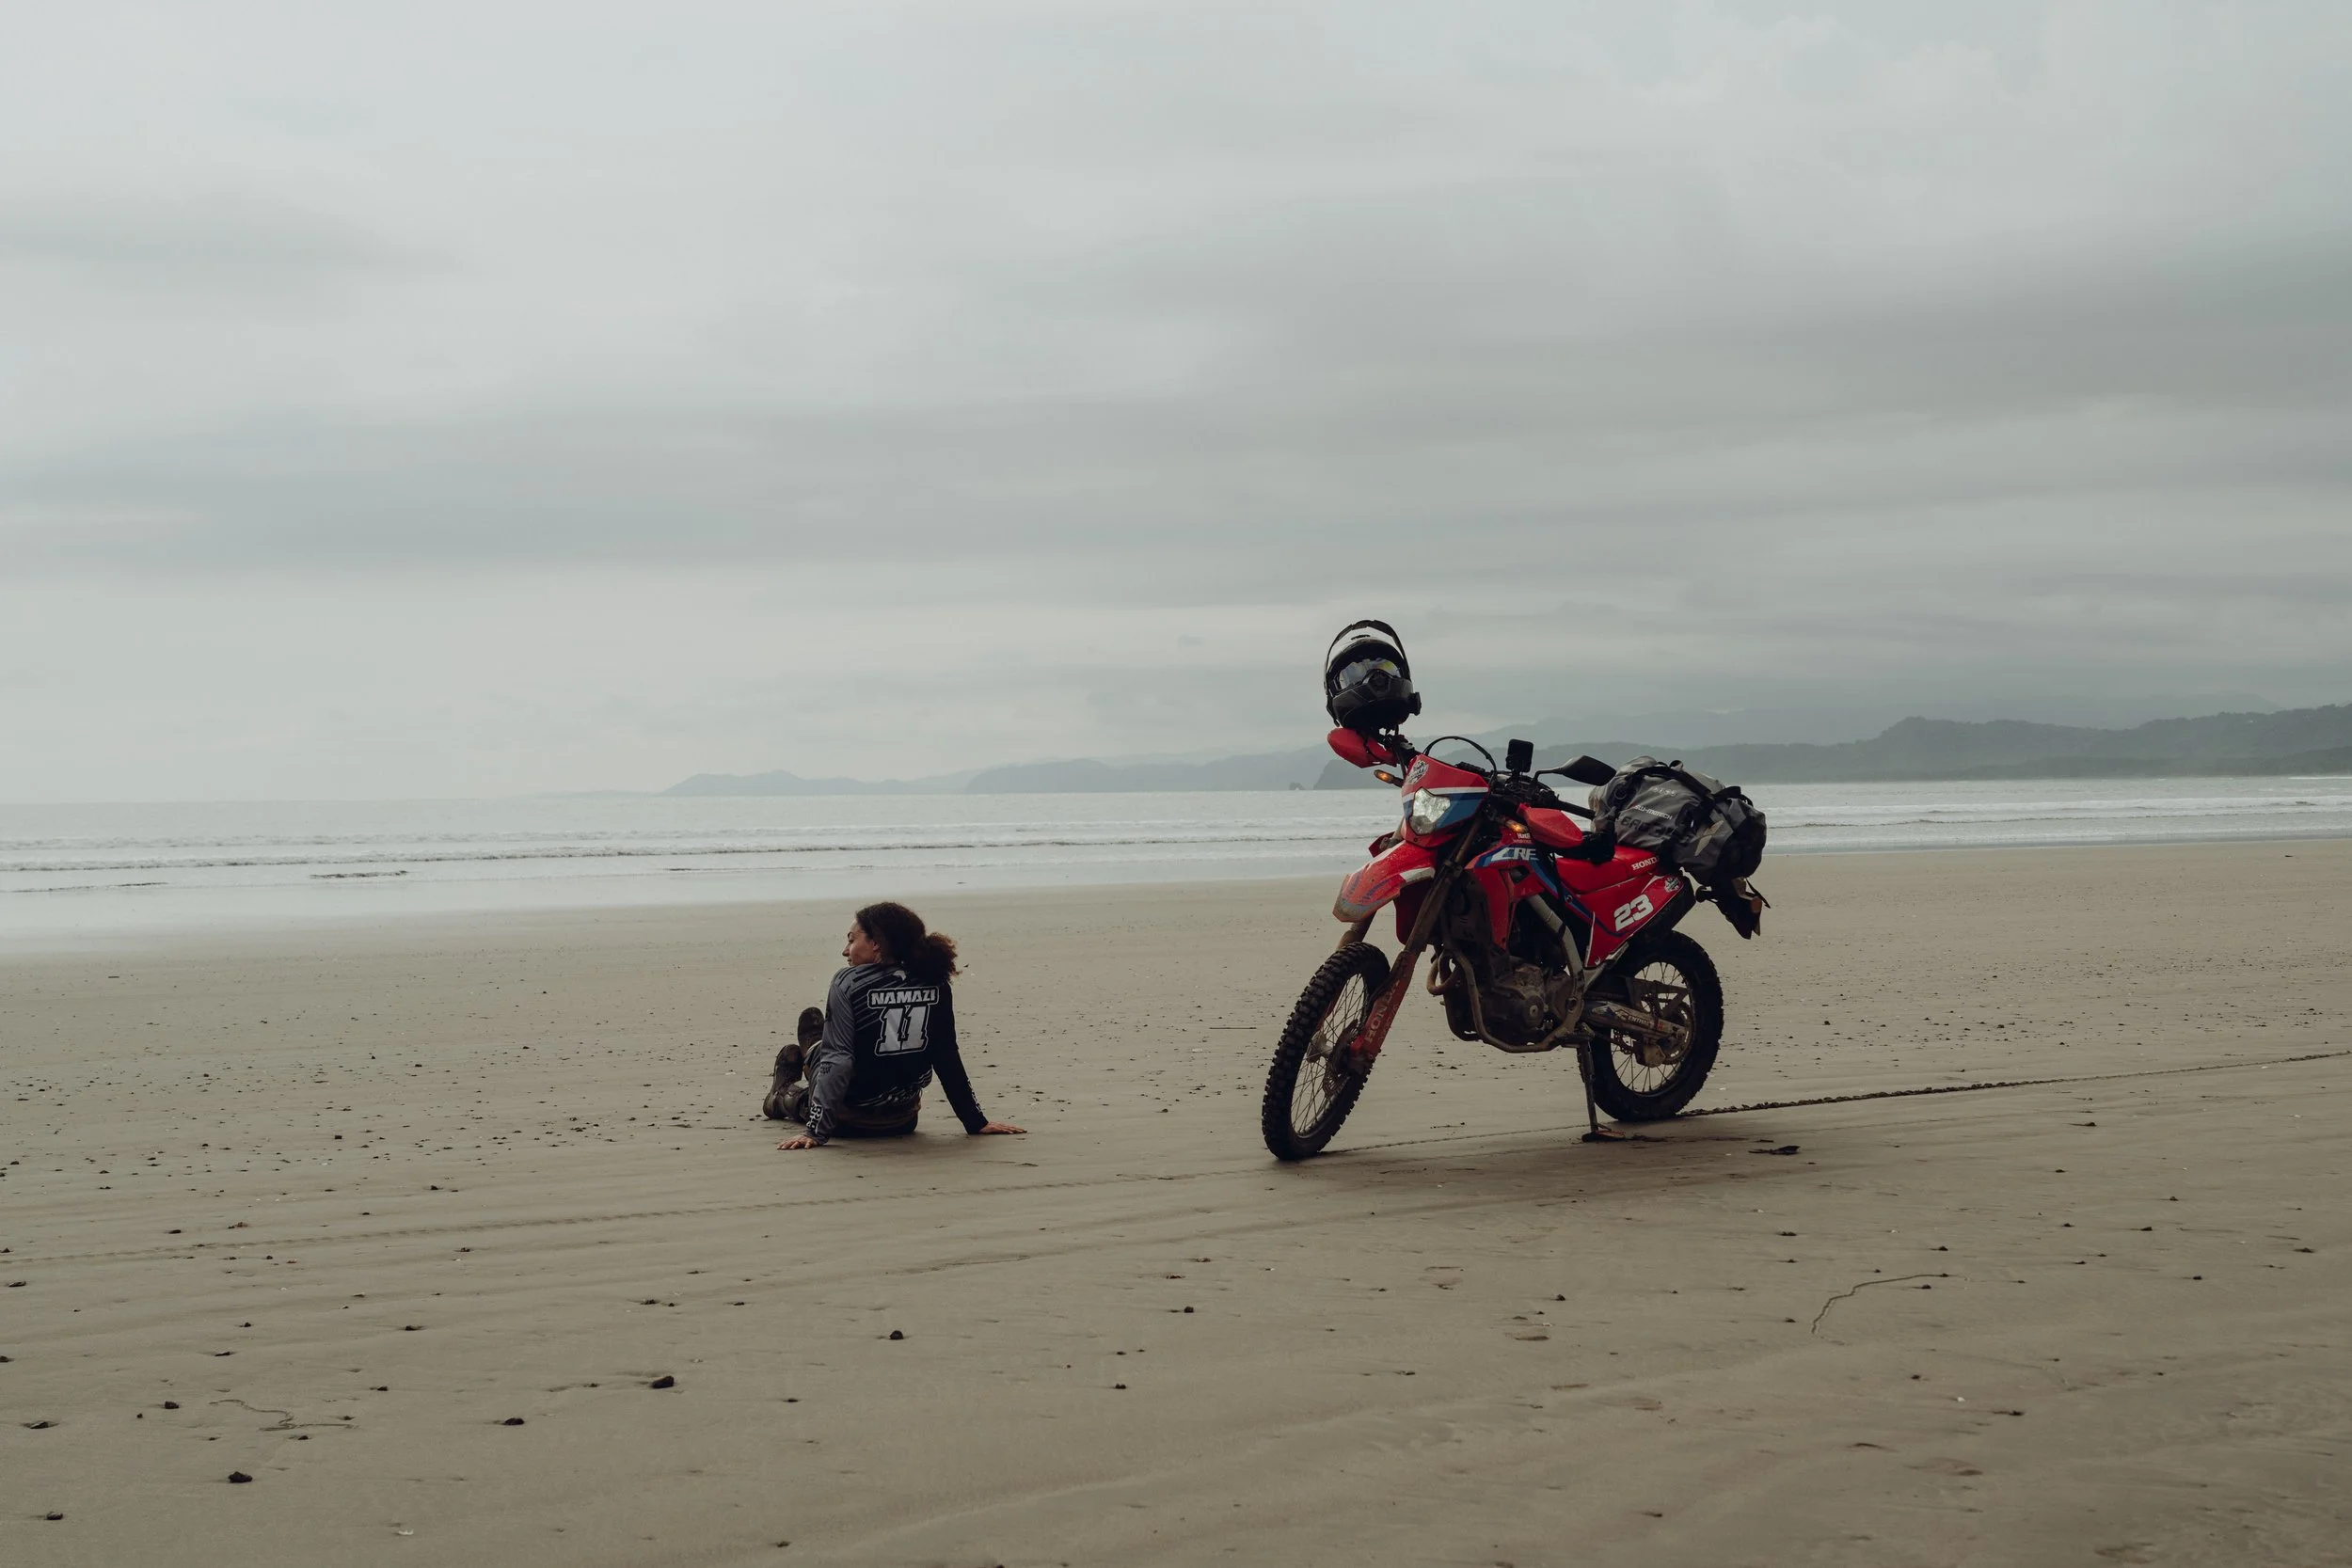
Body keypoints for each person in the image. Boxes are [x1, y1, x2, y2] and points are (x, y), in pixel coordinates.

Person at [766, 901, 1025, 1150]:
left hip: (847, 1123)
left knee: (825, 1059)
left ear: (876, 944)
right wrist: (975, 1122)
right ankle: (814, 1047)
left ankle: (783, 1092)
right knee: (841, 1049)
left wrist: (815, 1132)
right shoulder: (936, 981)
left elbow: (838, 1060)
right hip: (903, 1121)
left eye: (852, 940)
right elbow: (946, 1056)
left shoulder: (848, 982)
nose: (846, 951)